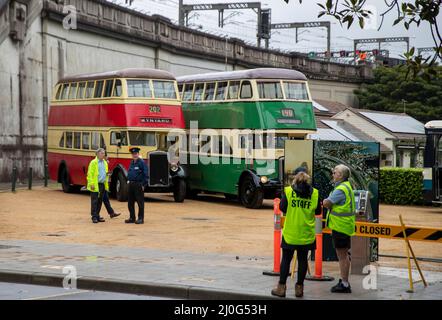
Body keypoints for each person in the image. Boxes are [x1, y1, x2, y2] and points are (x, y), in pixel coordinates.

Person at [271, 167, 321, 298]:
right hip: (306, 234)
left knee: (286, 260)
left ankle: (281, 288)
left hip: (290, 233)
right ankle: (299, 289)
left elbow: (282, 208)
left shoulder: (288, 191)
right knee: (303, 259)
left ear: (295, 178)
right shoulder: (315, 193)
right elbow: (317, 212)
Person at [323, 164, 356, 293]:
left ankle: (345, 284)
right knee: (344, 255)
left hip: (340, 227)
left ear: (341, 175)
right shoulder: (347, 186)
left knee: (342, 256)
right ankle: (344, 281)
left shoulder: (340, 189)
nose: (333, 174)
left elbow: (327, 203)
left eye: (334, 172)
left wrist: (326, 201)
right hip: (345, 226)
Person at [87, 148, 111, 224]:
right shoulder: (93, 162)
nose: (103, 155)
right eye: (101, 153)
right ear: (97, 154)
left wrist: (107, 175)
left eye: (104, 153)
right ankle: (94, 217)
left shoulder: (105, 162)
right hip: (95, 184)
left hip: (102, 184)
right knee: (94, 201)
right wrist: (91, 184)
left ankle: (97, 215)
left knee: (100, 201)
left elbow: (105, 172)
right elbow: (90, 174)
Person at [125, 147, 148, 225]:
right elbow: (130, 172)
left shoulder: (141, 162)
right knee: (130, 202)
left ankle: (140, 218)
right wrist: (128, 181)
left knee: (140, 202)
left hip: (138, 184)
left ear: (138, 154)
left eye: (136, 154)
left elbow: (145, 174)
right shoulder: (132, 162)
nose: (134, 155)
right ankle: (132, 217)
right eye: (133, 154)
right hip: (131, 184)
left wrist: (143, 184)